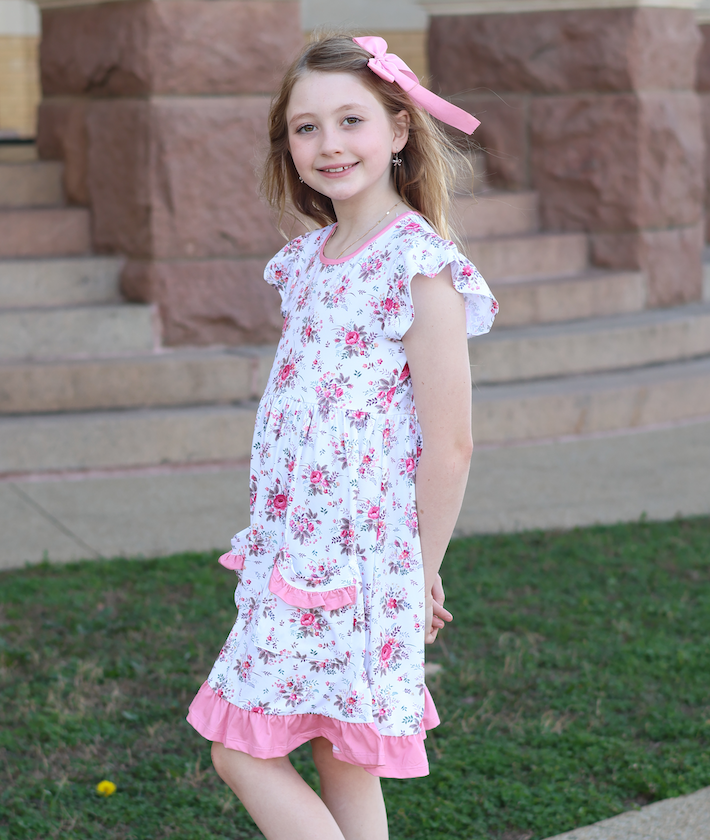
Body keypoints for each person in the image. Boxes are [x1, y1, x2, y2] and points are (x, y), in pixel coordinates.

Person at [187, 33, 498, 840]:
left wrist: (419, 572)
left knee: (239, 751)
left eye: (351, 120)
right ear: (287, 146)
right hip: (298, 546)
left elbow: (451, 443)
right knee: (338, 753)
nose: (328, 144)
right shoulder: (308, 262)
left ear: (398, 129)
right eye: (306, 127)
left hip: (359, 562)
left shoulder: (418, 266)